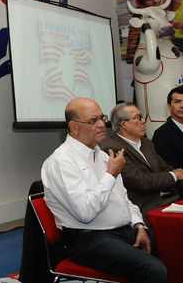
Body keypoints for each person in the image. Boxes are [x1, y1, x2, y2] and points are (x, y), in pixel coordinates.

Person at [41, 98, 167, 283]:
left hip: (124, 230)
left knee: (178, 245)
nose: (102, 125)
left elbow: (125, 200)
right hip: (88, 238)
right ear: (74, 127)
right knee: (154, 270)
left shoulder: (102, 156)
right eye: (93, 121)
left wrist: (139, 226)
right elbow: (85, 213)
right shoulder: (61, 161)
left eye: (102, 118)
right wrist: (110, 174)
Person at [101, 103, 183, 221]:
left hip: (173, 200)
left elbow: (167, 169)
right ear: (124, 124)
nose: (143, 120)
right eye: (138, 118)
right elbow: (142, 181)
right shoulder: (113, 148)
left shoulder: (146, 143)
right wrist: (173, 176)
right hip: (148, 208)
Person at [124, 0, 163, 65]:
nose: (155, 1)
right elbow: (130, 54)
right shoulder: (139, 19)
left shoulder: (163, 15)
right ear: (142, 3)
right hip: (147, 60)